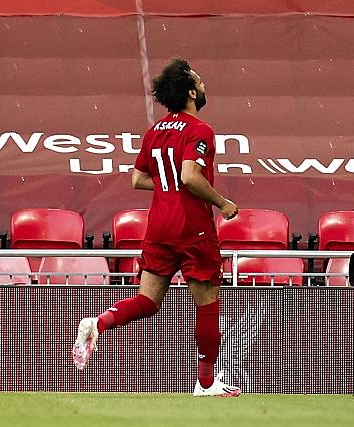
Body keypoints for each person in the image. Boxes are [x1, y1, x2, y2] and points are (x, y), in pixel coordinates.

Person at [70, 59, 242, 397]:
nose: (204, 86)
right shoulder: (200, 129)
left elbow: (137, 178)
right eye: (200, 81)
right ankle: (206, 384)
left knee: (147, 300)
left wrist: (168, 185)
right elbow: (191, 176)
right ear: (191, 92)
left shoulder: (155, 131)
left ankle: (99, 323)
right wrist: (223, 203)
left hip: (159, 225)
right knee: (207, 305)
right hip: (193, 227)